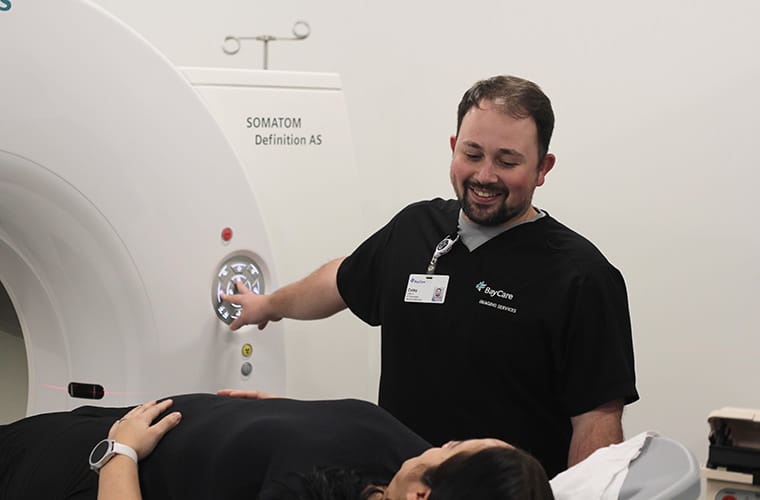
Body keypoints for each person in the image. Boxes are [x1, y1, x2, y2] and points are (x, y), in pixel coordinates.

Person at [221, 75, 639, 477]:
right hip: (401, 483)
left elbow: (596, 421)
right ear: (454, 147)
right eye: (472, 154)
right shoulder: (415, 228)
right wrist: (268, 305)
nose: (485, 175)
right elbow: (341, 281)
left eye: (507, 161)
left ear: (543, 168)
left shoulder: (582, 277)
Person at [0, 392, 554, 500]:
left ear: (424, 497)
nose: (441, 442)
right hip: (123, 429)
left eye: (453, 447)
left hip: (97, 473)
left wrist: (119, 454)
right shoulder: (404, 466)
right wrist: (271, 411)